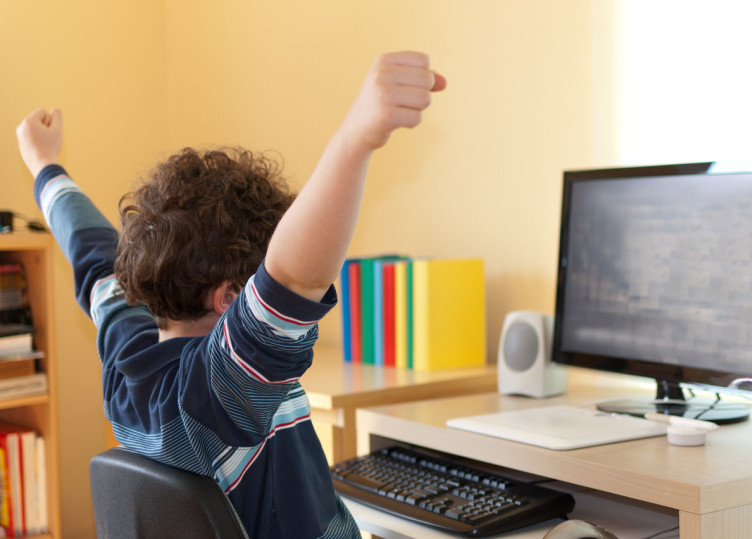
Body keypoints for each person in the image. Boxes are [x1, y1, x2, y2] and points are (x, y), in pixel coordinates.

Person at [16, 51, 446, 538]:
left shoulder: (127, 356)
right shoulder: (214, 397)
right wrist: (354, 139)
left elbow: (90, 250)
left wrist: (43, 163)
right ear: (229, 299)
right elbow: (295, 279)